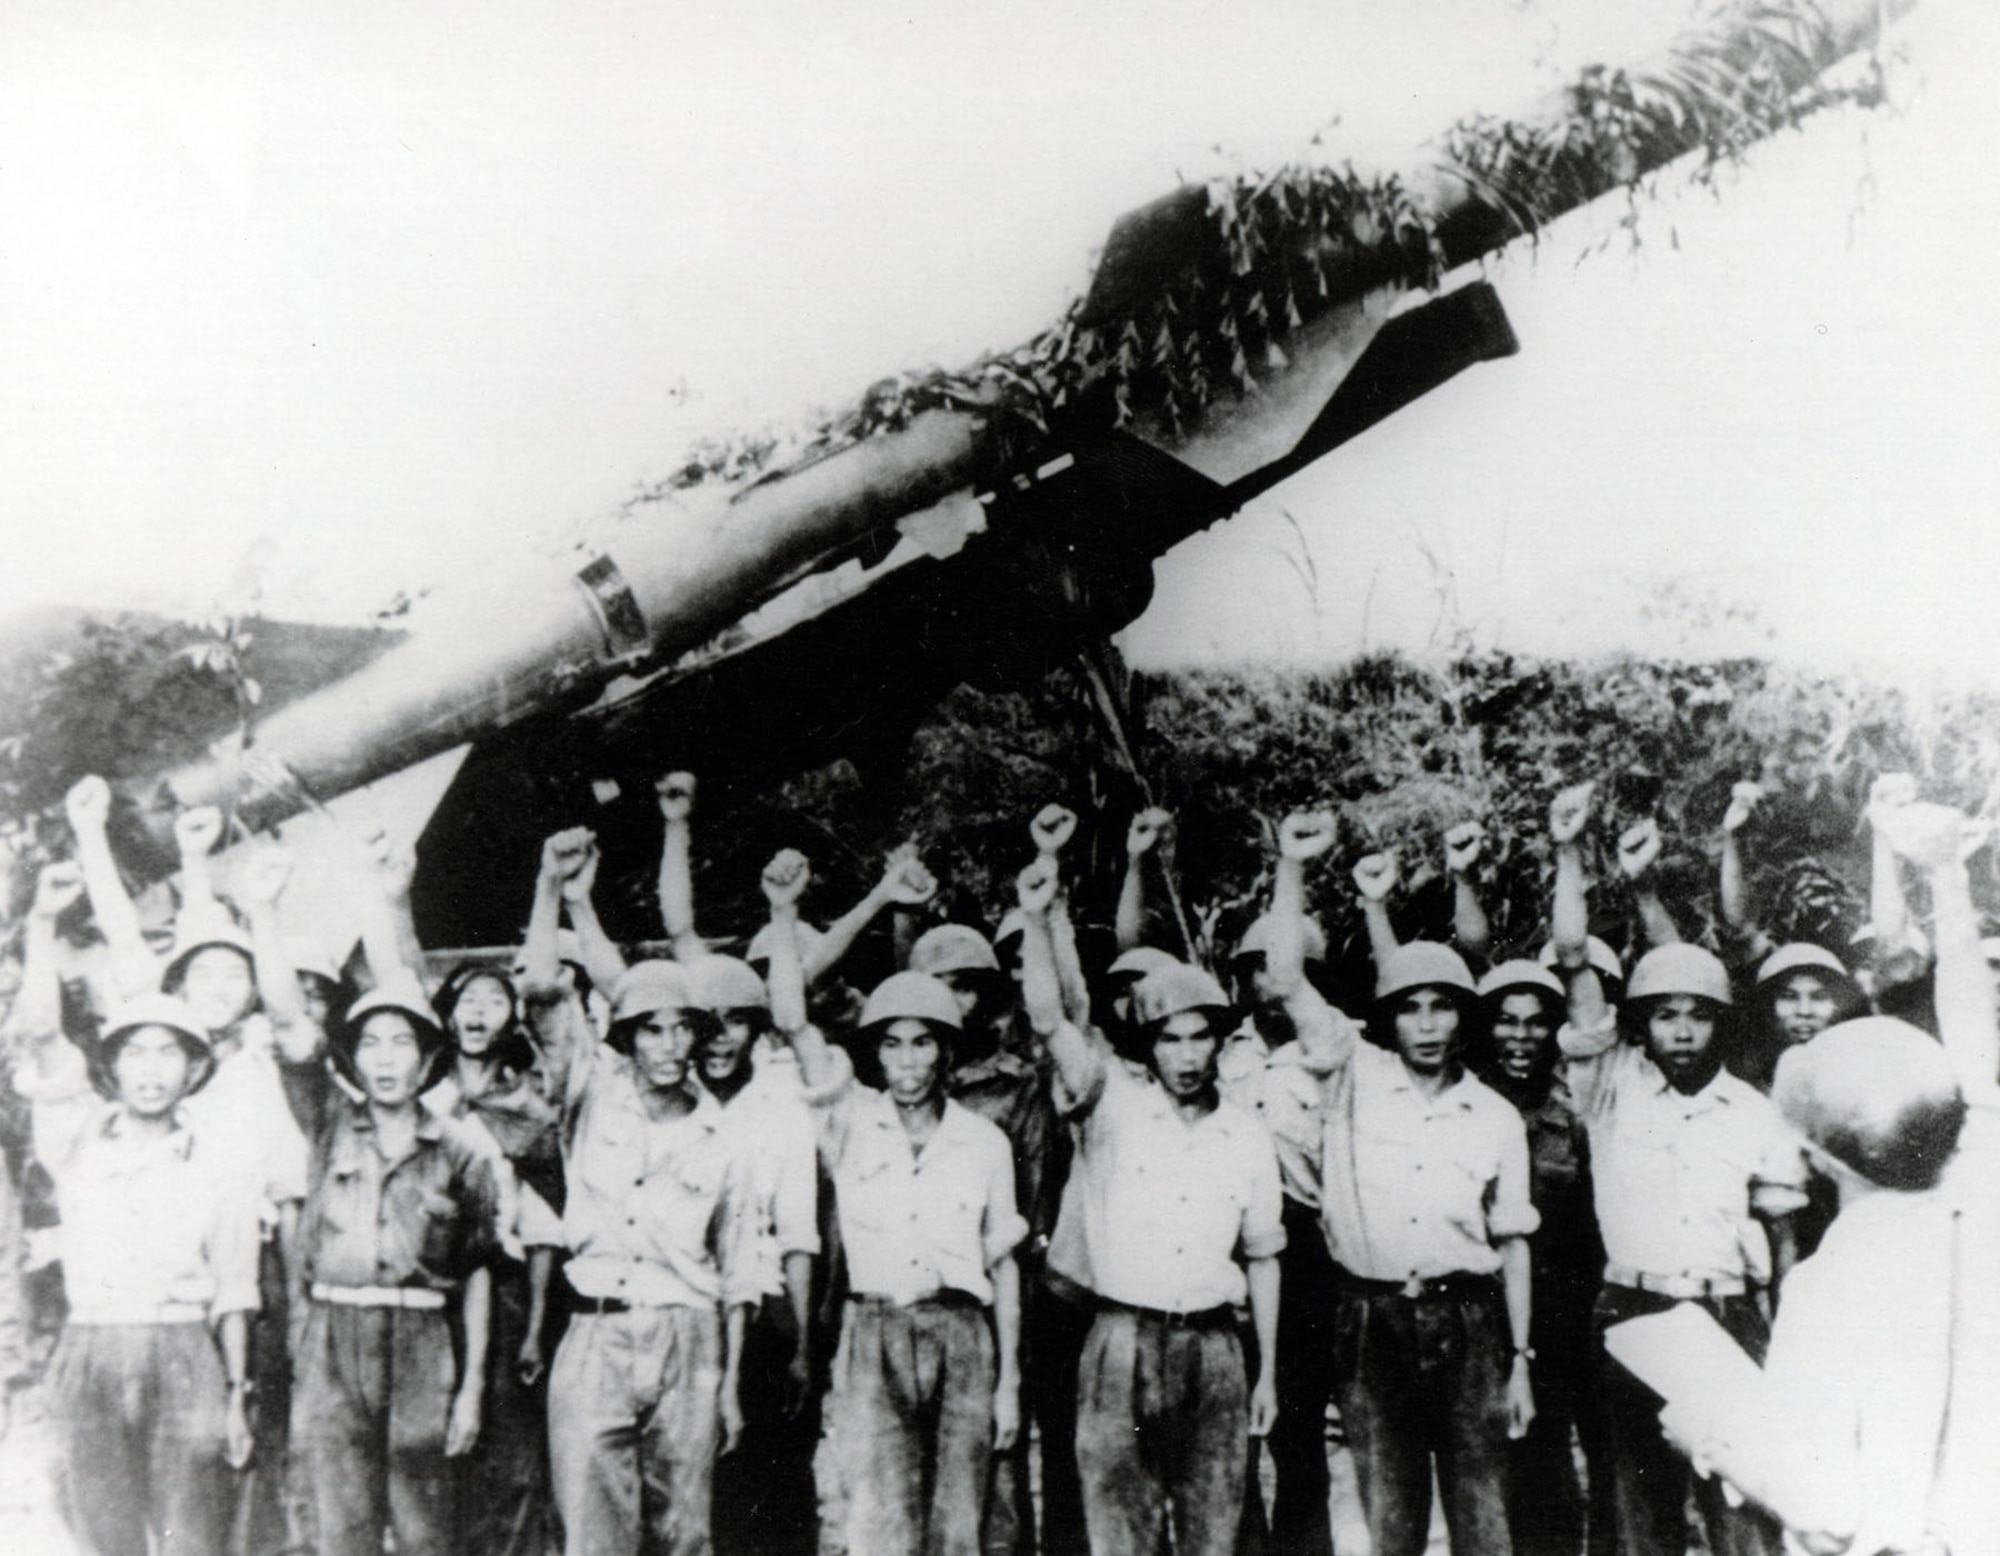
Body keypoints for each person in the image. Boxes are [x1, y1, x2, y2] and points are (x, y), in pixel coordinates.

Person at [1549, 785, 1806, 1556]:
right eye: (1665, 1013)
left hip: (1730, 1314)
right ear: (1642, 1024)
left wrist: (1785, 1333)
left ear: (1720, 1022)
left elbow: (1783, 1234)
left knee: (1742, 1509)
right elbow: (1572, 960)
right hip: (1633, 1311)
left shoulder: (1753, 1110)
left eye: (1698, 1013)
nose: (1683, 1028)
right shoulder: (1611, 1088)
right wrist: (1568, 851)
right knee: (1636, 1515)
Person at [763, 847, 1025, 1556]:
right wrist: (784, 914)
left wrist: (1009, 1383)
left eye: (924, 1046)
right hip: (872, 1332)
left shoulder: (982, 1142)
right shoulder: (851, 1119)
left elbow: (1003, 1268)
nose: (909, 1062)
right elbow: (790, 1016)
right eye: (894, 1047)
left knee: (960, 1522)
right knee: (878, 1520)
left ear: (946, 1051)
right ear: (875, 1054)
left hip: (963, 1336)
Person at [1021, 846, 1282, 1556]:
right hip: (1120, 1340)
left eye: (1202, 1039)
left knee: (1216, 1530)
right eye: (1171, 1041)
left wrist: (1267, 1374)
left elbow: (1263, 1259)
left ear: (1221, 1043)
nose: (1188, 1056)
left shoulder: (1247, 1135)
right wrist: (1035, 914)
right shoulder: (1111, 1108)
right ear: (1150, 1046)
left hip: (1216, 1348)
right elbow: (1050, 1020)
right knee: (1120, 1530)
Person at [15, 866, 260, 1556]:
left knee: (191, 1536)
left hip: (185, 1349)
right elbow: (40, 1031)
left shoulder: (220, 1160)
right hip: (90, 1346)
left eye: (168, 1054)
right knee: (101, 1531)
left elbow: (236, 1290)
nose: (151, 1070)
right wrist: (41, 924)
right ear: (112, 1066)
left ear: (193, 1069)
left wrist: (238, 1391)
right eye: (135, 1053)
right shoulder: (75, 1137)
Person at [1315, 930, 1537, 1556]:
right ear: (1389, 1018)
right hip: (1372, 1316)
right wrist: (1293, 866)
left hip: (1470, 1322)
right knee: (1390, 1514)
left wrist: (1520, 1358)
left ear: (1465, 1017)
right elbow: (1285, 983)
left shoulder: (1495, 1115)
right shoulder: (1352, 1080)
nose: (1427, 1024)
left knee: (1482, 1513)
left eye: (1442, 1006)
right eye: (1410, 1008)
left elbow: (1514, 1243)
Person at [544, 952, 753, 1556]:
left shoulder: (724, 1136)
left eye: (683, 1027)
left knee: (684, 1532)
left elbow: (737, 1269)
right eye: (652, 1029)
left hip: (687, 1339)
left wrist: (730, 1384)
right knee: (589, 1528)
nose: (670, 1045)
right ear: (627, 1038)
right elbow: (541, 998)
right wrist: (555, 883)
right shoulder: (588, 1097)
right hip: (595, 1329)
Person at [289, 979, 502, 1556]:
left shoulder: (462, 1150)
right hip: (334, 1340)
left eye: (402, 1042)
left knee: (423, 1525)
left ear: (430, 1057)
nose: (385, 1059)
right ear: (352, 1060)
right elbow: (292, 1035)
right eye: (370, 1044)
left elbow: (478, 1268)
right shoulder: (327, 1126)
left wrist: (471, 1388)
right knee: (339, 1521)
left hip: (421, 1344)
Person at [426, 961, 566, 1556]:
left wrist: (534, 1328)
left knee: (509, 1453)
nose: (479, 1012)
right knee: (433, 1445)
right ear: (450, 1014)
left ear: (512, 1018)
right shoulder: (425, 1098)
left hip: (505, 1297)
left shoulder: (527, 1106)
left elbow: (541, 1231)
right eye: (468, 1000)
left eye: (493, 1000)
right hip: (431, 1295)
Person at [1474, 958, 1608, 1556]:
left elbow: (1591, 1223)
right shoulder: (1464, 1110)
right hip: (1485, 1313)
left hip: (1566, 1313)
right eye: (1506, 1022)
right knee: (1506, 1471)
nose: (1520, 1038)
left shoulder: (1570, 1117)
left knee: (1578, 1467)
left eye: (1535, 1024)